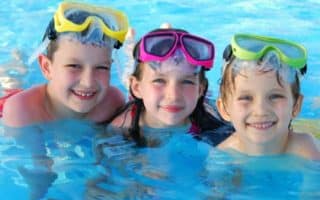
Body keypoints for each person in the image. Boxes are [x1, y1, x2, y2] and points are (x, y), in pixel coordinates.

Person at [97, 27, 232, 149]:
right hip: (140, 100)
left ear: (200, 89)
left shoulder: (210, 120)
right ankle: (130, 44)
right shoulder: (123, 127)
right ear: (137, 88)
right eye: (159, 80)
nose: (173, 95)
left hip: (196, 100)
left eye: (186, 82)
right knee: (129, 72)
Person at [1, 1, 129, 127]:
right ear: (47, 67)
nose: (88, 82)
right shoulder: (22, 111)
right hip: (10, 104)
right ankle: (15, 67)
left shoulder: (113, 103)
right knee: (11, 87)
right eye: (74, 66)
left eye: (102, 67)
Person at [216, 33, 320, 160]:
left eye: (275, 96)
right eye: (246, 98)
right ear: (224, 108)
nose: (261, 111)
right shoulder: (222, 157)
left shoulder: (307, 150)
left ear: (296, 106)